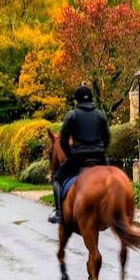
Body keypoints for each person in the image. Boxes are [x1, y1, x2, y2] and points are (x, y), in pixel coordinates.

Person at [49, 85, 111, 225]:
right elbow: (107, 138)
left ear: (77, 100)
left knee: (57, 178)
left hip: (78, 158)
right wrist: (101, 151)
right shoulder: (101, 115)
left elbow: (64, 140)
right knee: (112, 178)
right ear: (91, 99)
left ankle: (58, 212)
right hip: (99, 158)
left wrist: (70, 154)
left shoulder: (72, 115)